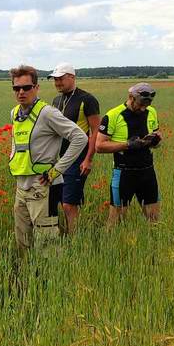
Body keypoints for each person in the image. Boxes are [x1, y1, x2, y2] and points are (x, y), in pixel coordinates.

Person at [8, 65, 88, 250]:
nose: (21, 92)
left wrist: (57, 170)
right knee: (22, 242)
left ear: (36, 87)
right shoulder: (15, 113)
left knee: (47, 244)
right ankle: (27, 277)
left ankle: (50, 278)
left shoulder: (47, 113)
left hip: (44, 185)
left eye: (26, 87)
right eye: (16, 88)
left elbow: (80, 137)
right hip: (22, 185)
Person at [95, 82, 163, 224]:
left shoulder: (151, 112)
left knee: (154, 220)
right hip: (124, 173)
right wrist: (127, 145)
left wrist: (156, 142)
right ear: (131, 97)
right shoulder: (113, 115)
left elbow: (156, 138)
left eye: (147, 105)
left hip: (147, 171)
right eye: (140, 104)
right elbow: (99, 146)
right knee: (116, 221)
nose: (143, 108)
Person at [47, 63, 101, 234]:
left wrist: (88, 159)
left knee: (69, 202)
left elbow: (95, 132)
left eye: (61, 79)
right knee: (58, 198)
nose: (57, 83)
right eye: (55, 79)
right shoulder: (56, 100)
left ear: (72, 77)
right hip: (58, 157)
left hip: (77, 157)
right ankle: (61, 233)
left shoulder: (87, 99)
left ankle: (74, 239)